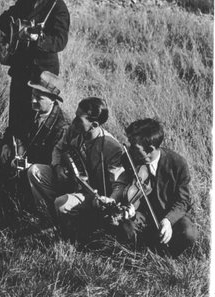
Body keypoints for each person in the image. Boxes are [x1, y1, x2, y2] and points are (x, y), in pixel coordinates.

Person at [0, 0, 70, 142]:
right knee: (16, 119)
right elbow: (9, 15)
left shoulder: (58, 8)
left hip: (41, 77)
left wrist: (37, 39)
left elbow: (60, 41)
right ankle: (10, 155)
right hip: (20, 71)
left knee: (33, 124)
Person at [101, 119, 198, 257]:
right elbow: (129, 189)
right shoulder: (128, 159)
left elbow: (182, 201)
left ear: (150, 149)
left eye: (134, 147)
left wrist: (168, 221)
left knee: (188, 233)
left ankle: (167, 256)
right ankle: (140, 254)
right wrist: (129, 207)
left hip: (167, 212)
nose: (129, 150)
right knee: (124, 228)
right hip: (142, 214)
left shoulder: (178, 164)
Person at [27, 97, 123, 237]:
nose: (73, 122)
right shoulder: (74, 130)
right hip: (71, 182)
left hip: (93, 196)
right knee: (35, 171)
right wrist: (58, 166)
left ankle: (68, 234)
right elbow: (58, 149)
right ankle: (48, 220)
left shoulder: (112, 148)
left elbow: (119, 184)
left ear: (94, 124)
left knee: (62, 203)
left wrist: (111, 199)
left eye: (79, 119)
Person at [0, 71, 69, 180]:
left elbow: (53, 160)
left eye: (39, 98)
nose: (33, 100)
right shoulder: (31, 110)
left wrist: (27, 166)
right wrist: (6, 144)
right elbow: (13, 129)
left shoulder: (62, 127)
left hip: (38, 171)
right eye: (33, 94)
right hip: (20, 160)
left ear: (52, 99)